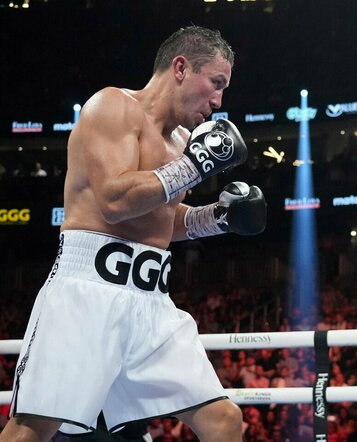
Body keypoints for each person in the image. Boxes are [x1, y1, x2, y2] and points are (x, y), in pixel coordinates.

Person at [0, 25, 267, 442]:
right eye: (216, 84)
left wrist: (218, 217)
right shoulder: (112, 107)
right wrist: (196, 165)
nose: (218, 102)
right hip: (86, 294)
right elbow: (115, 200)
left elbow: (159, 217)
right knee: (32, 430)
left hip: (151, 302)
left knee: (224, 420)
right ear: (181, 67)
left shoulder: (181, 141)